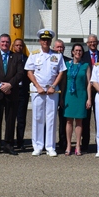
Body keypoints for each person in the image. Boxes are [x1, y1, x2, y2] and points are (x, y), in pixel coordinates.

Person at [25, 29, 66, 157]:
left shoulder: (57, 55)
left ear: (50, 41)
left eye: (48, 40)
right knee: (37, 118)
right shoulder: (34, 55)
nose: (45, 42)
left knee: (51, 119)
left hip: (52, 90)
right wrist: (37, 86)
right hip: (38, 90)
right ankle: (37, 146)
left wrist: (53, 86)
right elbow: (29, 71)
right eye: (43, 40)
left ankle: (50, 146)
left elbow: (61, 72)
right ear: (40, 41)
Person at [0, 34, 25, 155]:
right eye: (2, 42)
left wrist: (10, 85)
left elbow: (20, 73)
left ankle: (8, 145)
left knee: (10, 120)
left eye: (7, 42)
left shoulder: (17, 57)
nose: (5, 44)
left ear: (10, 43)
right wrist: (0, 85)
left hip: (11, 93)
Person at [63, 43, 91, 156]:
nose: (78, 52)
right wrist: (61, 98)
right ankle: (69, 145)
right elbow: (63, 82)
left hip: (81, 95)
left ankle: (78, 145)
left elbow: (89, 83)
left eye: (80, 51)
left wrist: (89, 98)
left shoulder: (86, 65)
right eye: (76, 50)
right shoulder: (67, 64)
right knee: (69, 121)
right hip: (69, 95)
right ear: (72, 52)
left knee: (79, 121)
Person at [11, 37, 31, 149]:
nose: (19, 47)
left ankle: (20, 141)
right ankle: (9, 141)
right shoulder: (10, 57)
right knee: (10, 117)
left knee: (21, 118)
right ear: (13, 47)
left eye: (21, 45)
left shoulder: (27, 59)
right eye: (17, 45)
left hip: (23, 90)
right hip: (12, 90)